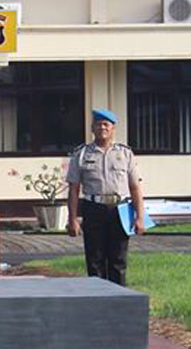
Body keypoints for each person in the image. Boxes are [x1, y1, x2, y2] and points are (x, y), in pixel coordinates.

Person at [66, 109, 145, 286]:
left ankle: (119, 296)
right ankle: (98, 297)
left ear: (113, 128)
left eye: (106, 124)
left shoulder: (125, 154)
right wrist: (72, 219)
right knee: (95, 259)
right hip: (93, 208)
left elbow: (135, 188)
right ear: (92, 128)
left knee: (118, 259)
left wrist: (140, 217)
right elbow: (73, 189)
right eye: (98, 124)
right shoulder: (81, 154)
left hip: (120, 210)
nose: (102, 128)